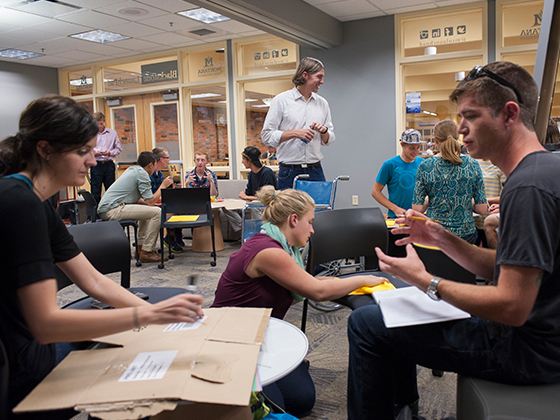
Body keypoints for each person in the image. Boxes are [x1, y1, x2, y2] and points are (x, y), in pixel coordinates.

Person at [347, 61, 560, 420]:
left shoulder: (528, 187)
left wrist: (427, 282)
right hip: (542, 342)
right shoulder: (544, 169)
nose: (460, 129)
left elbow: (511, 304)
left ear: (509, 114)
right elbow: (513, 270)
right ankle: (402, 405)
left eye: (471, 116)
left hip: (523, 352)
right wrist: (441, 238)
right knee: (382, 315)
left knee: (365, 324)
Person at [0, 95, 204, 420]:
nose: (93, 161)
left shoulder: (35, 200)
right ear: (44, 150)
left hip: (29, 351)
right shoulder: (18, 204)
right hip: (20, 375)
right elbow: (46, 325)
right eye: (83, 151)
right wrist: (147, 317)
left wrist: (153, 311)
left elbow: (92, 280)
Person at [212, 185, 384, 417]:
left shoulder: (284, 247)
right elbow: (318, 291)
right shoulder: (268, 251)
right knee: (276, 406)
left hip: (259, 332)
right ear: (294, 219)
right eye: (310, 222)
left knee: (301, 400)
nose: (313, 230)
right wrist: (363, 279)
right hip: (229, 338)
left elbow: (306, 286)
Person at [261, 57, 335, 190]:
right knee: (290, 211)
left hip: (316, 170)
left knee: (321, 210)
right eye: (319, 77)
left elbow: (329, 140)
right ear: (305, 75)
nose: (322, 82)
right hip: (289, 171)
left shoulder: (322, 103)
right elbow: (267, 136)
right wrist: (295, 133)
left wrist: (324, 131)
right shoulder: (281, 101)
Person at [412, 119, 488, 243]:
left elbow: (417, 209)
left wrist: (428, 200)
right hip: (465, 234)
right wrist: (467, 200)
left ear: (435, 140)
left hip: (435, 233)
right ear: (458, 137)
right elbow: (482, 209)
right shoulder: (472, 164)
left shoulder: (425, 166)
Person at [97, 151, 172, 263]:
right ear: (150, 165)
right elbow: (150, 201)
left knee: (150, 211)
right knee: (157, 212)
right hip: (113, 209)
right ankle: (147, 251)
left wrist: (151, 204)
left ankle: (140, 247)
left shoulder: (133, 170)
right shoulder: (142, 174)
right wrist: (163, 186)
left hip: (109, 208)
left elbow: (140, 200)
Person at [222, 146, 277, 235]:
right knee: (227, 207)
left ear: (250, 160)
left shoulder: (267, 173)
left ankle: (256, 233)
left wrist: (247, 197)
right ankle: (243, 229)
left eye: (244, 159)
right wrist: (246, 197)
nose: (242, 162)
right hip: (252, 203)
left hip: (265, 206)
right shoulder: (251, 174)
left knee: (254, 208)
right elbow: (248, 193)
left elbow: (268, 197)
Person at [371, 129, 425, 219]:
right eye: (412, 148)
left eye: (418, 147)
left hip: (418, 217)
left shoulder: (423, 164)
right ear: (402, 145)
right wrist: (395, 208)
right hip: (397, 217)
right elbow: (375, 192)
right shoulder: (390, 165)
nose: (415, 151)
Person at [150, 147, 184, 253]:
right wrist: (164, 186)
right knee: (171, 210)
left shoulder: (159, 174)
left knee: (181, 207)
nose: (169, 160)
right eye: (167, 157)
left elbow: (160, 194)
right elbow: (151, 197)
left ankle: (177, 236)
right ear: (161, 159)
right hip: (149, 204)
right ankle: (170, 238)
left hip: (159, 201)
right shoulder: (149, 175)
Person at [90, 112, 122, 205]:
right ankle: (96, 216)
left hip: (108, 164)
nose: (99, 126)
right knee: (95, 192)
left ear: (104, 121)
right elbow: (86, 149)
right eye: (97, 124)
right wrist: (94, 153)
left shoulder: (112, 133)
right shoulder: (91, 134)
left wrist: (110, 152)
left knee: (110, 190)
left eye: (101, 123)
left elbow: (118, 149)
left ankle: (110, 211)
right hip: (96, 164)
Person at [474, 159, 505, 247]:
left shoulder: (500, 165)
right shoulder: (474, 163)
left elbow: (506, 197)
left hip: (491, 221)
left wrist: (485, 200)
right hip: (473, 221)